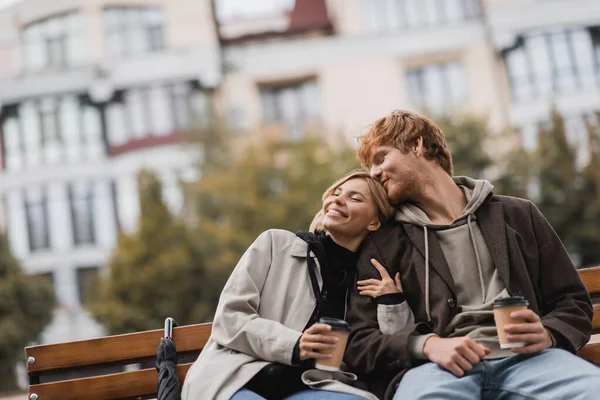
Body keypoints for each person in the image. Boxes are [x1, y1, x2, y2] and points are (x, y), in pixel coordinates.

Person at [344, 110, 600, 400]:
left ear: (417, 145)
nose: (374, 173)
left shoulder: (518, 215)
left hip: (532, 361)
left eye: (381, 158)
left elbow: (573, 301)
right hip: (435, 369)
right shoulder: (383, 244)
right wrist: (425, 345)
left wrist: (549, 333)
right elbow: (358, 340)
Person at [182, 171, 410, 400]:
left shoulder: (366, 280)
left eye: (355, 198)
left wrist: (392, 303)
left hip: (311, 385)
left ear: (374, 222)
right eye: (336, 193)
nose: (337, 199)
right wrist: (295, 343)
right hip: (238, 375)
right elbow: (230, 319)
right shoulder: (275, 244)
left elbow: (390, 353)